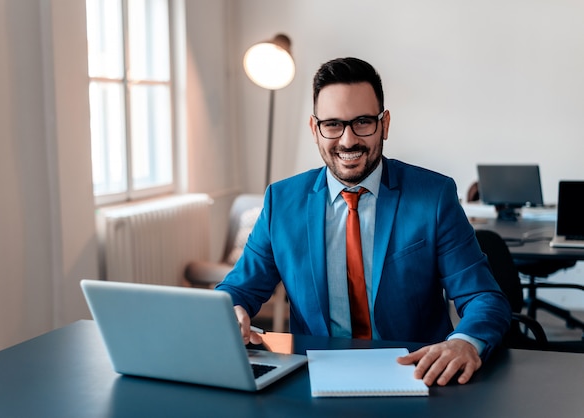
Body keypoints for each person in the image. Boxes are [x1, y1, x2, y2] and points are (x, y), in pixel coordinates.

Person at [215, 57, 511, 386]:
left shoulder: (434, 196)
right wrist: (231, 310)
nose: (347, 140)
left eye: (362, 122)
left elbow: (484, 297)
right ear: (315, 129)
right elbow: (237, 289)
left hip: (415, 373)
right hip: (315, 374)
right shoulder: (281, 202)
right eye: (332, 125)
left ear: (384, 123)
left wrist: (464, 342)